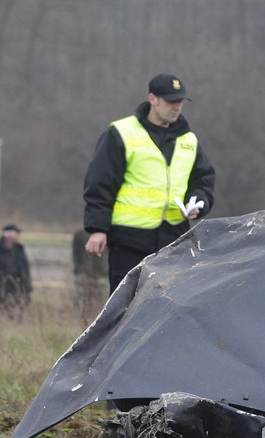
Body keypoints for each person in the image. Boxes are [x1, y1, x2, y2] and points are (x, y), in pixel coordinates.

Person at [83, 73, 216, 292]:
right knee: (125, 309)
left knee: (166, 308)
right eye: (170, 101)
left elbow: (203, 181)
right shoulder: (122, 133)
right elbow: (100, 183)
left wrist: (198, 203)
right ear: (152, 99)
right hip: (129, 240)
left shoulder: (189, 140)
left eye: (180, 101)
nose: (176, 107)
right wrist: (98, 229)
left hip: (173, 241)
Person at [0, 223, 32, 315]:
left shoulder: (19, 250)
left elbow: (25, 270)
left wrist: (27, 288)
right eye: (16, 233)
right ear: (8, 234)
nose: (18, 235)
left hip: (16, 290)